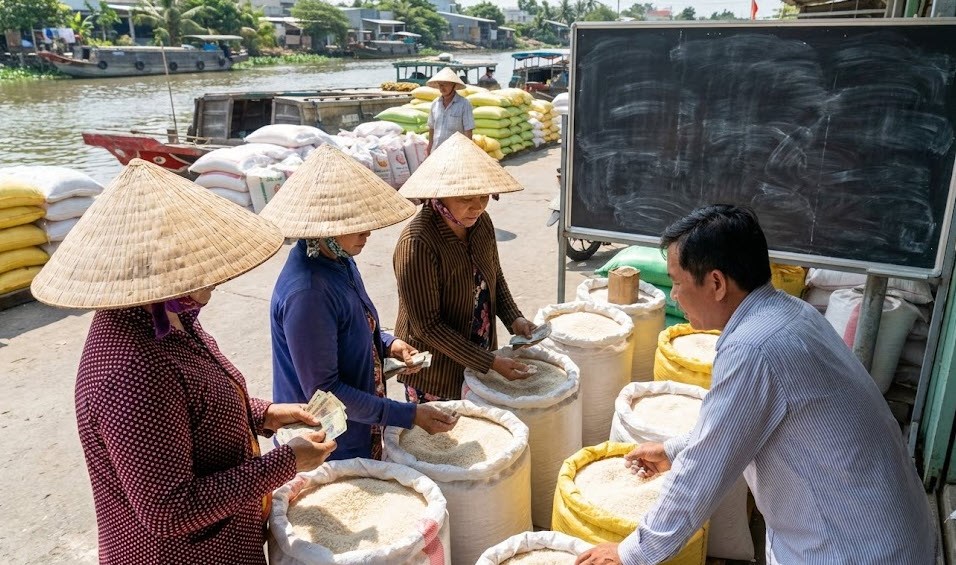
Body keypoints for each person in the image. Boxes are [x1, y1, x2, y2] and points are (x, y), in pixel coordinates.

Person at [575, 205, 938, 565]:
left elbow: (704, 469)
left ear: (716, 284)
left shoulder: (753, 348)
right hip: (894, 533)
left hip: (853, 550)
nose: (674, 295)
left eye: (678, 282)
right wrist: (672, 451)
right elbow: (732, 429)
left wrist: (631, 553)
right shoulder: (792, 313)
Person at [30, 159, 336, 565]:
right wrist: (287, 462)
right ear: (158, 271)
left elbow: (191, 406)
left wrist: (264, 413)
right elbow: (170, 509)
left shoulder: (173, 316)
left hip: (229, 537)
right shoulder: (131, 371)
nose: (215, 275)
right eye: (195, 264)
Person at [266, 145, 459, 461]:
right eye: (355, 224)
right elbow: (327, 393)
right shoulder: (308, 294)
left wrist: (389, 344)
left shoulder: (339, 258)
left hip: (359, 422)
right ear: (324, 226)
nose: (367, 232)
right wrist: (409, 414)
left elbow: (352, 327)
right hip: (328, 443)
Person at [393, 133, 537, 402]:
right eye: (465, 199)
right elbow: (427, 327)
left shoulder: (482, 224)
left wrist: (514, 318)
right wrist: (490, 362)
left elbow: (494, 276)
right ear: (440, 196)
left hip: (480, 353)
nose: (477, 207)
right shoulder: (418, 242)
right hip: (436, 372)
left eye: (483, 196)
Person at [425, 67, 475, 156]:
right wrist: (429, 146)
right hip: (436, 151)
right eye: (440, 85)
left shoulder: (464, 104)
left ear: (454, 85)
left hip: (456, 153)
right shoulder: (435, 104)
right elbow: (432, 128)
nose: (442, 88)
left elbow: (468, 131)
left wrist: (468, 152)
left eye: (445, 84)